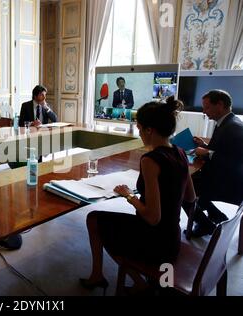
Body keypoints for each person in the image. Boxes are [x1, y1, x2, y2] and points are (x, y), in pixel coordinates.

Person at [80, 97, 196, 293]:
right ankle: (136, 281)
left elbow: (152, 217)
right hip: (172, 238)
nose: (139, 133)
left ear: (149, 130)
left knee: (94, 219)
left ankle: (123, 280)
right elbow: (191, 197)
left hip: (154, 242)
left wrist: (128, 195)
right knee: (105, 221)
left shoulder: (150, 160)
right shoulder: (181, 153)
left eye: (140, 128)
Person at [190, 90, 243, 237]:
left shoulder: (234, 127)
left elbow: (235, 161)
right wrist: (205, 145)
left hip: (228, 182)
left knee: (184, 187)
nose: (204, 111)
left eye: (207, 107)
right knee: (188, 182)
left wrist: (207, 152)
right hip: (221, 175)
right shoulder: (227, 122)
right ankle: (216, 216)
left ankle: (205, 224)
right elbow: (225, 149)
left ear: (220, 105)